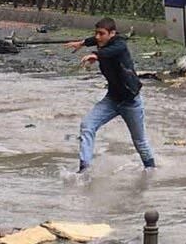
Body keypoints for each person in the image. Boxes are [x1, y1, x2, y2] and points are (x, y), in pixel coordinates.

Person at [65, 17, 155, 172]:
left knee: (139, 141)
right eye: (96, 34)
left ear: (112, 33)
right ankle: (84, 169)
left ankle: (151, 171)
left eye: (102, 34)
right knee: (87, 126)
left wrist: (95, 55)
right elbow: (96, 40)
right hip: (111, 100)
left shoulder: (120, 45)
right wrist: (82, 43)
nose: (98, 37)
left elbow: (111, 51)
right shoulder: (102, 41)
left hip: (130, 102)